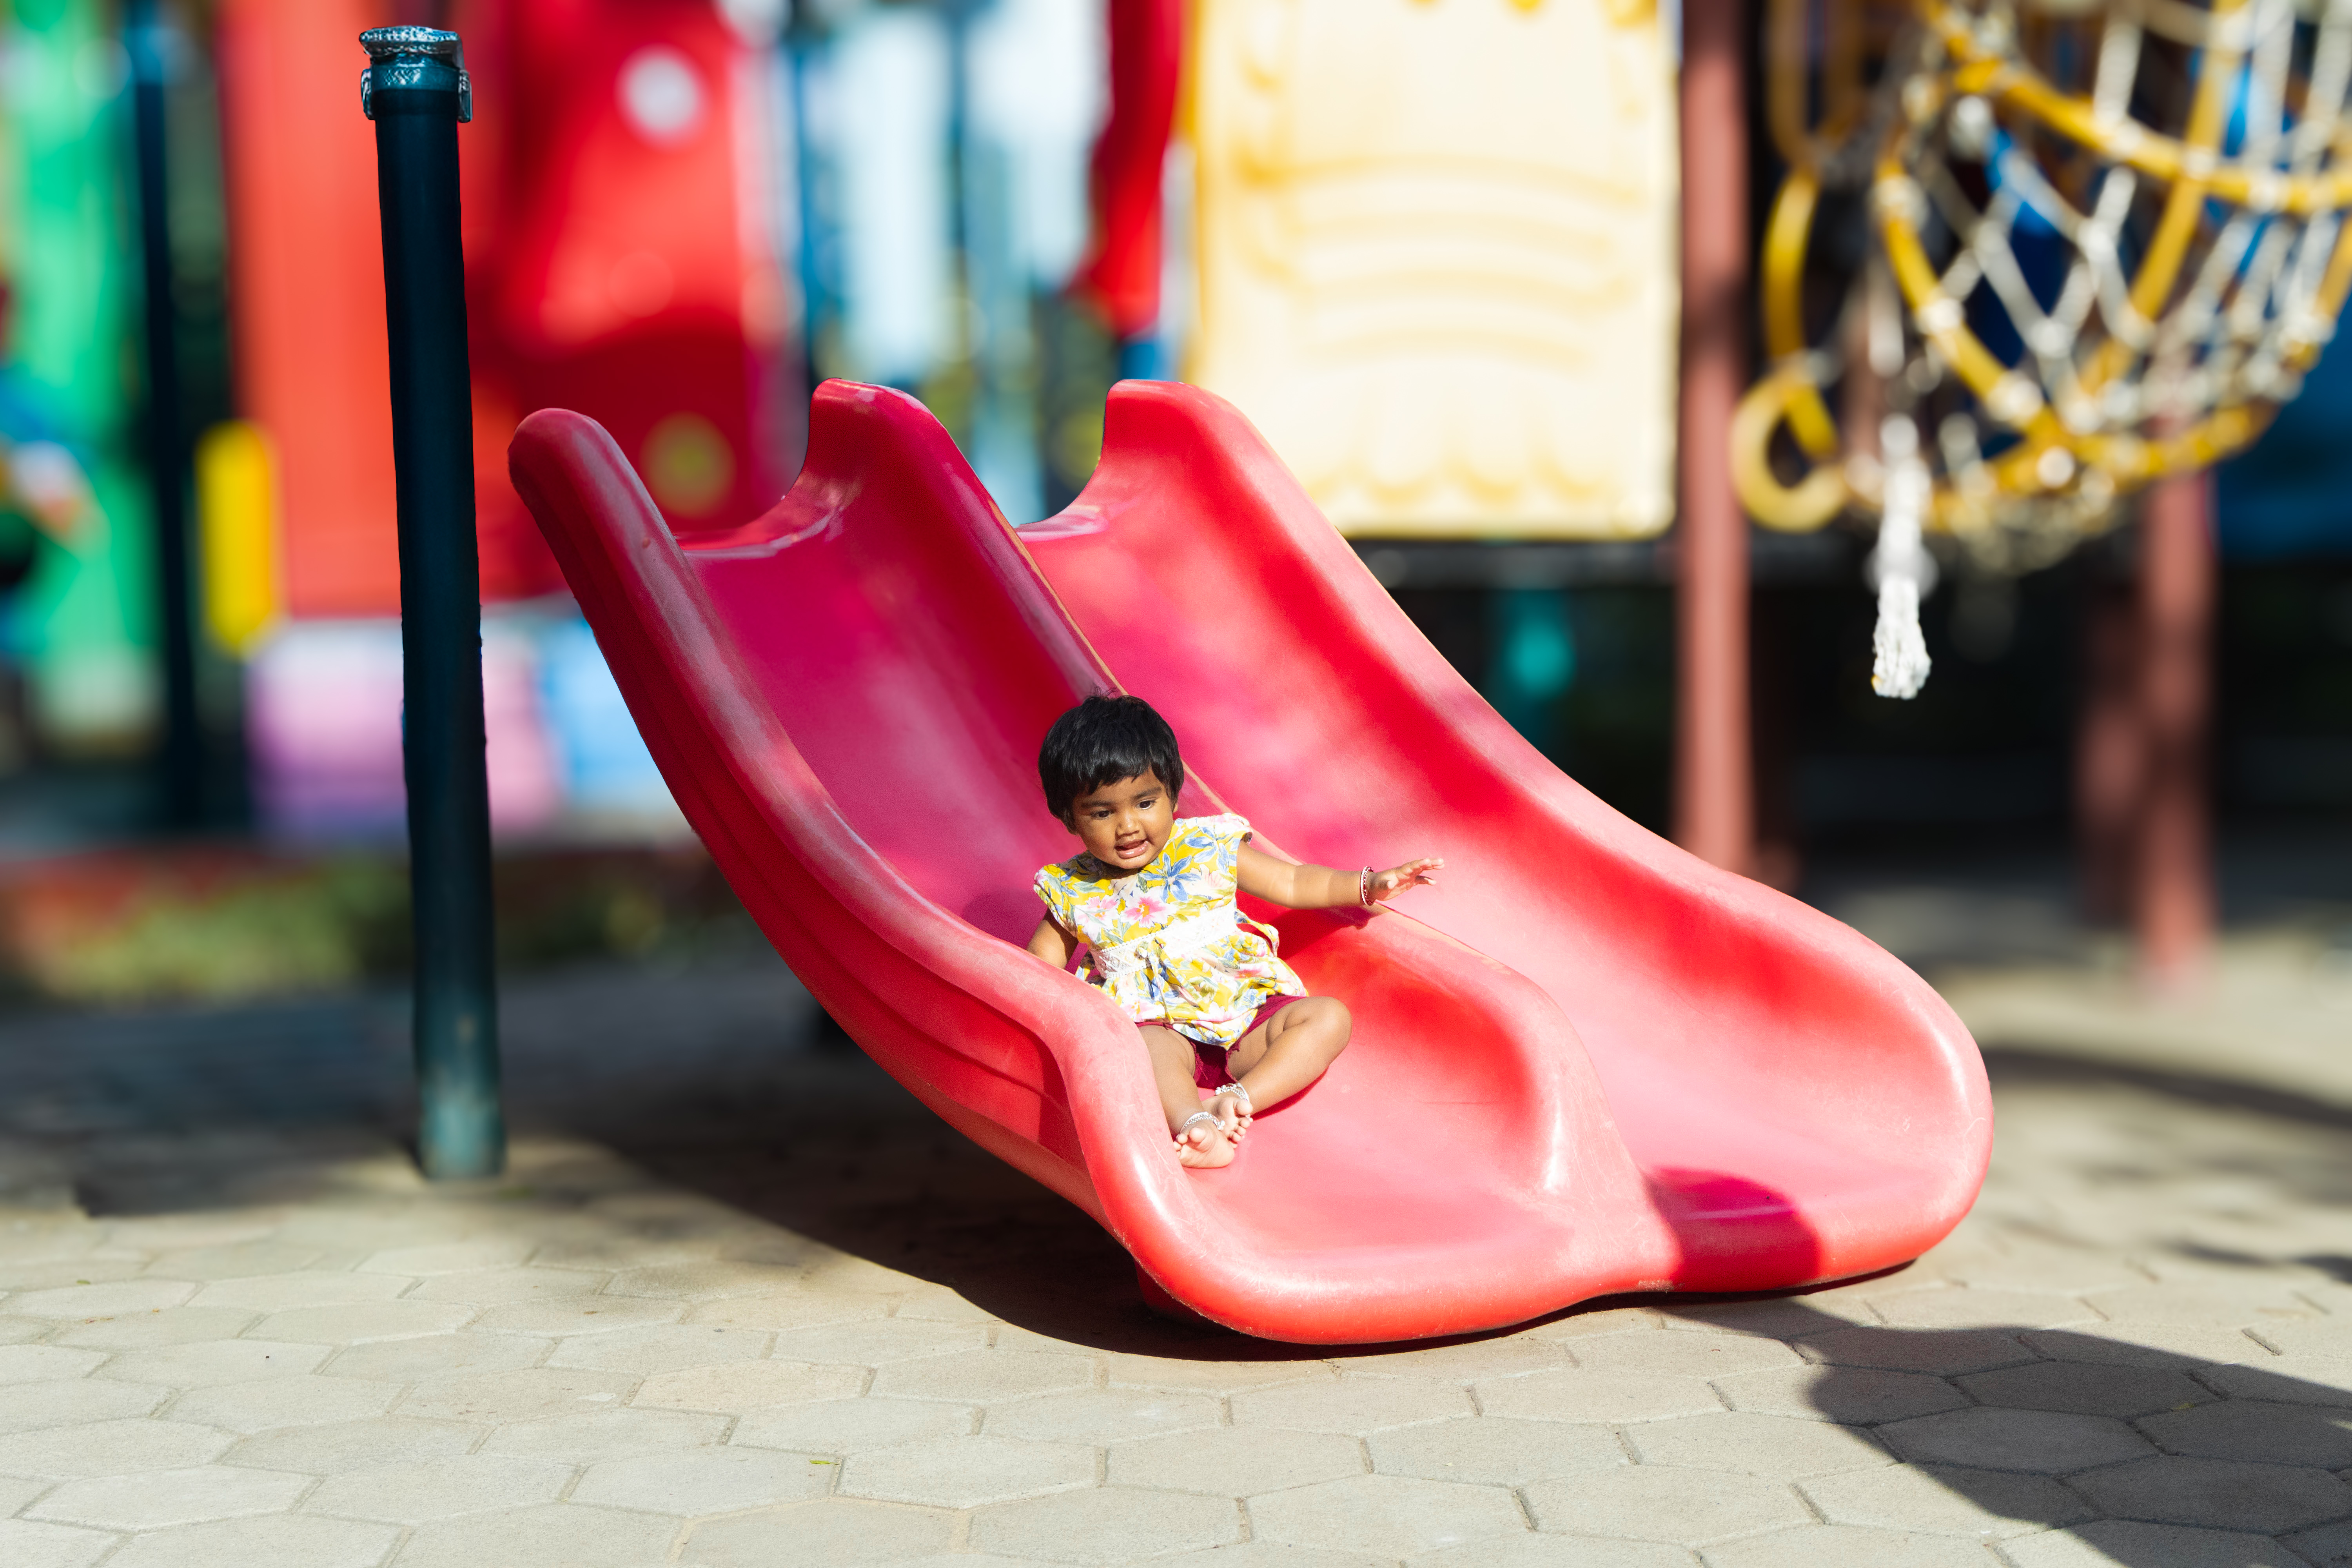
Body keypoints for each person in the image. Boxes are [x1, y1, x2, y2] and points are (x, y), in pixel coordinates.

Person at [1026, 694, 1440, 1168]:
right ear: (1069, 818)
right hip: (1163, 1031)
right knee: (1142, 1048)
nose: (1128, 825)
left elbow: (1292, 880)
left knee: (1328, 1018)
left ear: (1173, 795)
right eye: (1102, 813)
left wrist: (1369, 884)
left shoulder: (1206, 847)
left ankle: (1235, 1101)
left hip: (1248, 1016)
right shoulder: (1074, 888)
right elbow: (1042, 966)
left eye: (1145, 802)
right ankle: (1193, 1124)